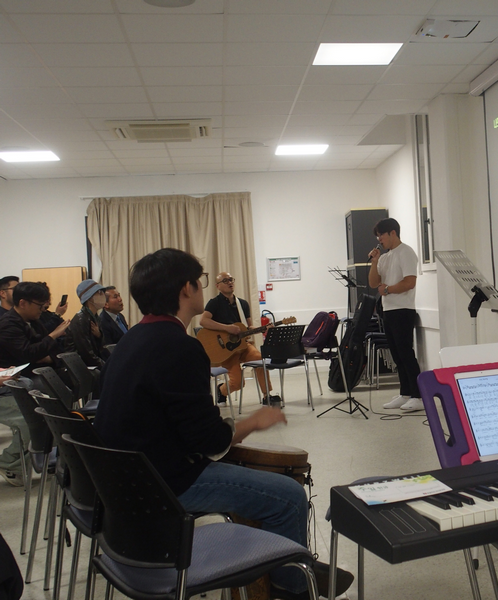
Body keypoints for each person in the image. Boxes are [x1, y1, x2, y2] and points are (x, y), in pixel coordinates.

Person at [94, 248, 352, 600]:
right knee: (289, 496)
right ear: (186, 289)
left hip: (125, 485)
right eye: (198, 281)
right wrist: (253, 422)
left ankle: (285, 561)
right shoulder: (179, 347)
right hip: (165, 486)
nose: (201, 287)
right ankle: (291, 586)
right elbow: (211, 442)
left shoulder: (130, 341)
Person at [0, 282, 70, 486]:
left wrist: (47, 349)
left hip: (17, 380)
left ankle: (36, 456)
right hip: (12, 384)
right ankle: (10, 462)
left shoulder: (30, 320)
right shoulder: (8, 324)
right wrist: (53, 335)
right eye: (40, 305)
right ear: (23, 303)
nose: (43, 309)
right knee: (34, 419)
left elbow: (46, 350)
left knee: (52, 406)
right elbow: (30, 353)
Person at [368, 218, 423, 411]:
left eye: (381, 235)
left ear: (392, 233)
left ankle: (418, 396)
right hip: (389, 310)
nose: (379, 239)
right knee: (397, 355)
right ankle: (405, 393)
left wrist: (388, 289)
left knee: (406, 353)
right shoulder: (384, 257)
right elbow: (373, 283)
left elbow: (410, 282)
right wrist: (374, 262)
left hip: (403, 310)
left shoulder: (406, 252)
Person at [199, 272, 276, 406]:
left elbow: (248, 326)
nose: (230, 282)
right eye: (225, 280)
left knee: (260, 360)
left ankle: (266, 396)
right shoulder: (214, 303)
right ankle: (221, 390)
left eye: (231, 279)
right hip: (226, 350)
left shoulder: (243, 304)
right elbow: (203, 321)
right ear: (218, 286)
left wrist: (262, 328)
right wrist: (227, 328)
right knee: (238, 383)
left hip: (243, 345)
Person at [63, 279, 108, 370]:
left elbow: (101, 347)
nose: (103, 295)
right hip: (80, 368)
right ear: (90, 297)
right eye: (99, 293)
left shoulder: (95, 317)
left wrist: (99, 336)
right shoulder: (80, 319)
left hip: (92, 365)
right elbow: (86, 353)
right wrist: (107, 366)